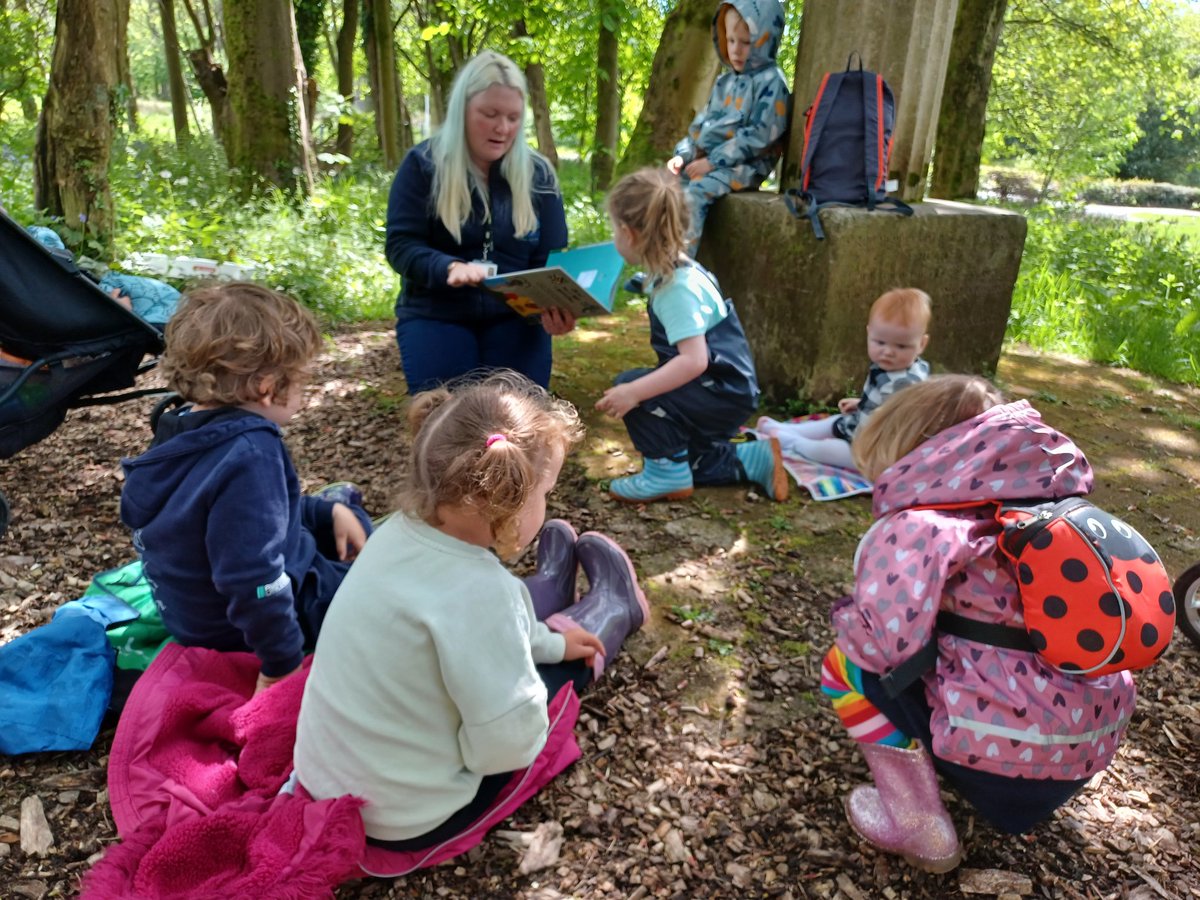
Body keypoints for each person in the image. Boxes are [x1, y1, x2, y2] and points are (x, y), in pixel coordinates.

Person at [292, 371, 649, 852]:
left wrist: (541, 641)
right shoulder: (483, 595)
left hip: (327, 779)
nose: (548, 504)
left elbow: (458, 625)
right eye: (545, 494)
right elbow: (509, 745)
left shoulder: (394, 534)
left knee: (509, 625)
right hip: (410, 817)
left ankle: (543, 598)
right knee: (556, 681)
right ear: (507, 499)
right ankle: (612, 611)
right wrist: (548, 664)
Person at [820, 375, 1136, 872]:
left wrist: (845, 616)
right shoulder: (1049, 512)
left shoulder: (920, 529)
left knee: (841, 668)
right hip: (1089, 747)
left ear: (912, 453)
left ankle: (918, 825)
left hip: (1003, 769)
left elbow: (882, 645)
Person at [120, 282, 373, 695]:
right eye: (303, 381)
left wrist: (327, 514)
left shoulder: (176, 428)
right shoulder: (252, 451)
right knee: (384, 571)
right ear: (268, 386)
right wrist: (281, 663)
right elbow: (256, 580)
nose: (304, 393)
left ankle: (335, 508)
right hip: (253, 632)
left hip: (193, 620)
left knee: (339, 512)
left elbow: (233, 514)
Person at [385, 51, 573, 394]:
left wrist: (556, 307)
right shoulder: (422, 165)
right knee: (447, 430)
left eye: (514, 118)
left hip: (517, 322)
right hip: (435, 316)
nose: (503, 128)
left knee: (520, 434)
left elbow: (552, 256)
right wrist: (447, 267)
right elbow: (401, 246)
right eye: (490, 114)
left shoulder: (539, 175)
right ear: (462, 111)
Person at [597, 168, 787, 504]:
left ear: (629, 233)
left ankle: (664, 475)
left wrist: (633, 392)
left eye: (615, 229)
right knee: (688, 460)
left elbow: (694, 360)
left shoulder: (676, 291)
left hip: (718, 390)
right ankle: (750, 460)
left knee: (636, 391)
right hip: (728, 387)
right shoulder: (680, 270)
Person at [757, 288, 931, 471]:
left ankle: (792, 442)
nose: (888, 352)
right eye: (880, 342)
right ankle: (789, 429)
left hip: (874, 449)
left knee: (830, 450)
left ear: (921, 344)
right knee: (834, 422)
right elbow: (884, 401)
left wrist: (870, 418)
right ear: (869, 333)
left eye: (901, 346)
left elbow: (898, 420)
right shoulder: (899, 367)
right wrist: (862, 404)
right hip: (861, 427)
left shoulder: (907, 384)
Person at [667, 0, 790, 256]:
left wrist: (712, 162)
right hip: (708, 161)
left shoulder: (771, 82)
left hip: (745, 167)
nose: (736, 50)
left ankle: (676, 268)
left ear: (766, 39)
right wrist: (683, 155)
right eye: (731, 40)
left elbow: (760, 134)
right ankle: (656, 265)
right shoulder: (725, 82)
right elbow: (702, 124)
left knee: (695, 194)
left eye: (746, 43)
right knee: (664, 190)